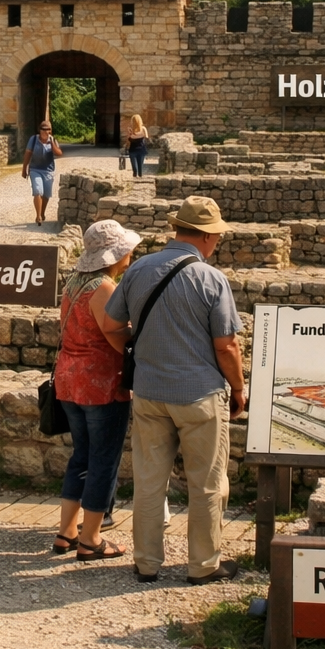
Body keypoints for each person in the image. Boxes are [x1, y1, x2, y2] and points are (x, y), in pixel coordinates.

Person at [101, 196, 245, 585]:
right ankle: (203, 565)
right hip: (199, 393)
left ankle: (146, 562)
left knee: (149, 481)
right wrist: (239, 388)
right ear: (206, 237)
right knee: (207, 482)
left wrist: (140, 353)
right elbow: (226, 345)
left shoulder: (140, 269)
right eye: (215, 236)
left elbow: (113, 325)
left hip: (149, 392)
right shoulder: (211, 279)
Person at [53, 220, 140, 562]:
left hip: (69, 379)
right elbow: (113, 335)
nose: (130, 255)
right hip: (99, 383)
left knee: (82, 456)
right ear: (113, 255)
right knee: (104, 459)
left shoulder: (73, 284)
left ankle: (66, 532)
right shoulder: (104, 287)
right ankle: (91, 539)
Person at [21, 120, 64, 225]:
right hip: (35, 169)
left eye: (48, 129)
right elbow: (28, 154)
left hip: (48, 170)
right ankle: (38, 216)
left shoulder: (53, 140)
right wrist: (24, 168)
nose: (45, 131)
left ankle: (43, 212)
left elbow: (59, 153)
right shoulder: (34, 139)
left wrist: (52, 144)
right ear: (39, 130)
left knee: (46, 195)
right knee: (38, 191)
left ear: (50, 131)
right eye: (43, 129)